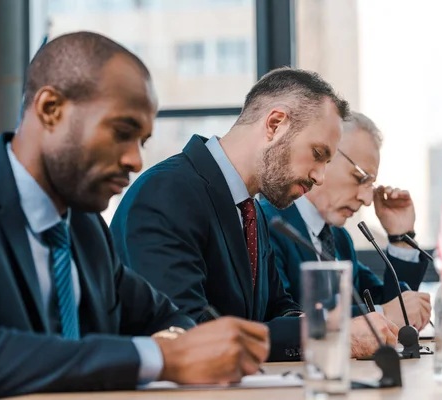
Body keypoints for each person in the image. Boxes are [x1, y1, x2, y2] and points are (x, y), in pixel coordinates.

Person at [0, 32, 269, 400]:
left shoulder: (84, 229)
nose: (135, 160)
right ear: (51, 108)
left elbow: (169, 318)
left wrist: (176, 347)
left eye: (141, 142)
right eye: (122, 132)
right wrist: (160, 358)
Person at [110, 67, 399, 361]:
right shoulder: (167, 192)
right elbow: (187, 332)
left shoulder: (249, 209)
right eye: (317, 154)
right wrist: (325, 333)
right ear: (275, 124)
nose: (320, 176)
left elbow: (279, 306)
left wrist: (313, 327)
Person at [261, 112, 432, 332]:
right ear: (322, 156)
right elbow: (281, 322)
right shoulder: (267, 225)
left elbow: (396, 308)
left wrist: (400, 237)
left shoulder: (339, 239)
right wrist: (382, 314)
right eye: (361, 178)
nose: (368, 199)